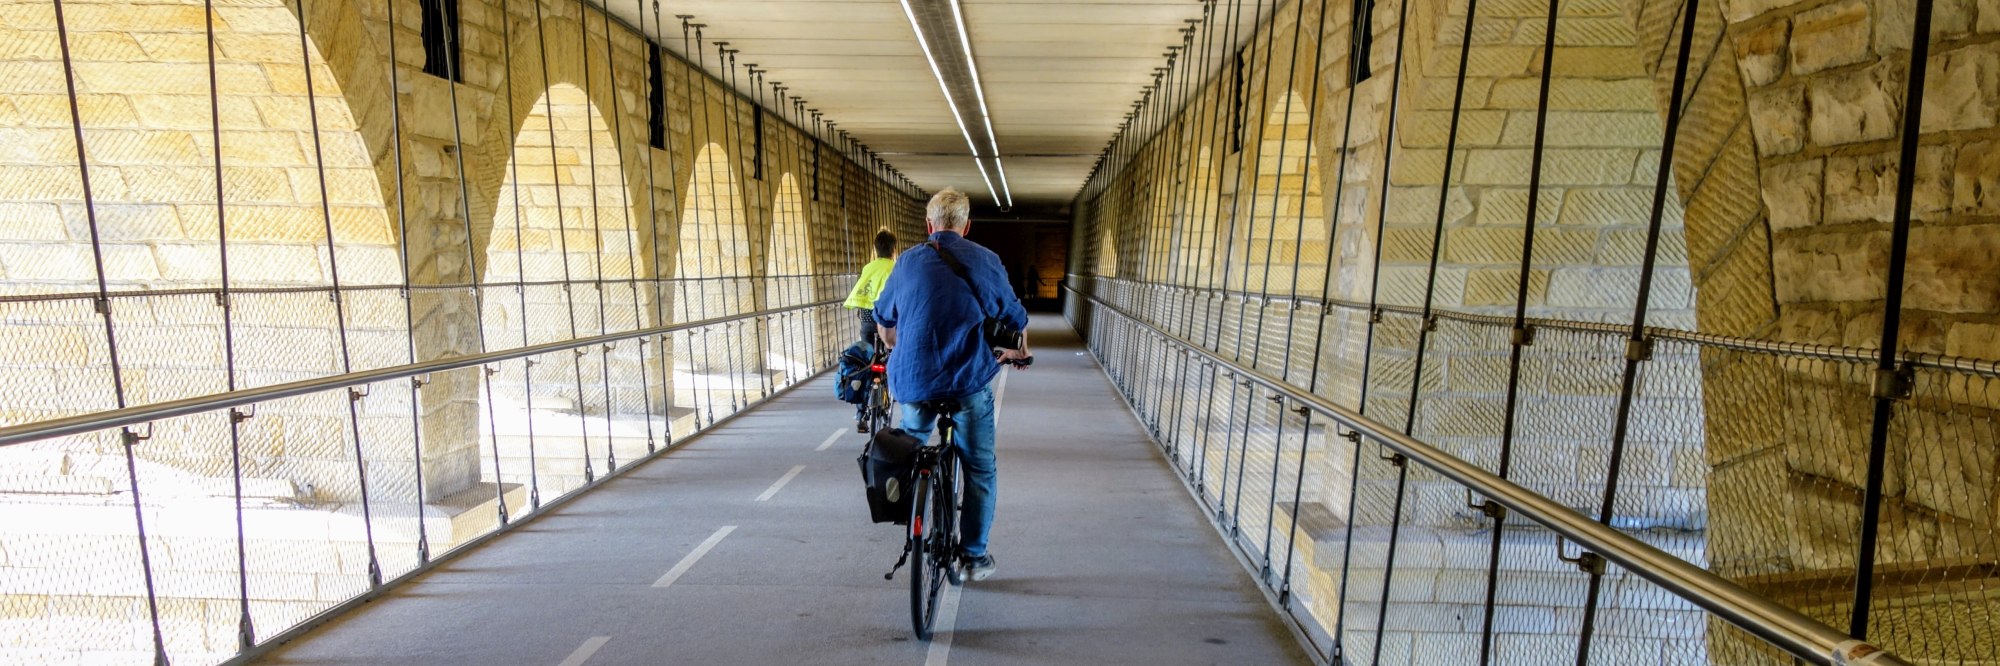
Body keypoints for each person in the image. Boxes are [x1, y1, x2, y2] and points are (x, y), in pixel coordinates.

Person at [873, 188, 1030, 582]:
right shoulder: (986, 260)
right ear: (966, 226)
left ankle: (914, 513)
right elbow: (1014, 317)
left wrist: (897, 344)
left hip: (914, 380)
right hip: (966, 379)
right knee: (979, 466)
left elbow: (884, 321)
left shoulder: (906, 262)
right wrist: (1017, 353)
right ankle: (973, 556)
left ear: (929, 225)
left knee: (909, 448)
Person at [844, 228, 898, 344]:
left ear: (876, 249)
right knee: (893, 352)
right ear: (893, 250)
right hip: (886, 322)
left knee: (867, 355)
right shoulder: (895, 267)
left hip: (867, 320)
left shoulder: (867, 268)